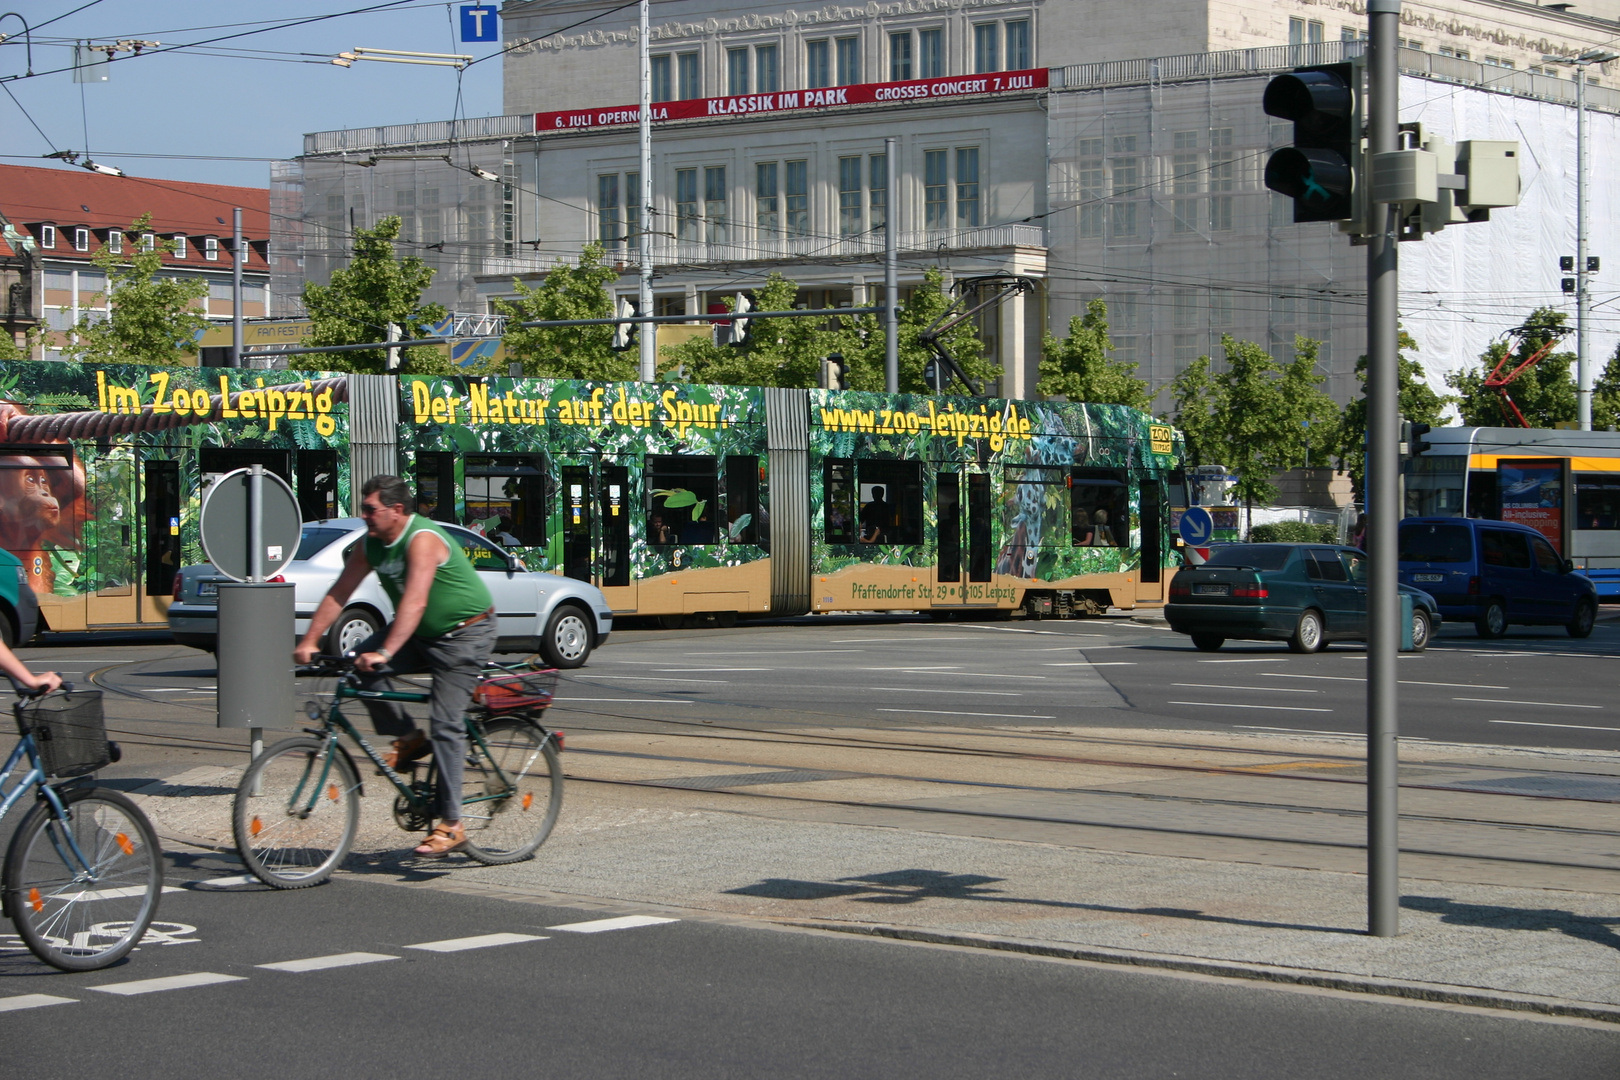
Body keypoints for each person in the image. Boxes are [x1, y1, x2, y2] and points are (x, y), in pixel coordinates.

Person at [294, 475, 496, 857]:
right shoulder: (371, 544)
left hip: (465, 633)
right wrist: (310, 639)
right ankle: (408, 737)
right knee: (358, 670)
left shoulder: (422, 541)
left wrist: (385, 652)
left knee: (446, 722)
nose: (364, 516)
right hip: (421, 632)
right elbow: (340, 592)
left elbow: (415, 602)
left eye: (370, 509)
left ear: (397, 510)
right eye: (364, 509)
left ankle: (452, 825)